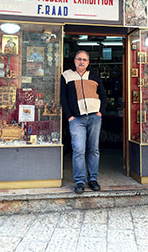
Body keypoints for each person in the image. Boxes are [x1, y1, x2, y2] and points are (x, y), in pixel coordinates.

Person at [60, 50, 107, 194]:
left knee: (94, 149)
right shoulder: (66, 75)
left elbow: (103, 94)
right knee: (79, 149)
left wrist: (100, 112)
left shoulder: (94, 76)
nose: (81, 62)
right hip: (77, 119)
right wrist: (69, 116)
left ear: (88, 62)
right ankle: (79, 181)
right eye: (79, 59)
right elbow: (63, 98)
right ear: (74, 61)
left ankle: (92, 179)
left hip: (94, 117)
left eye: (84, 59)